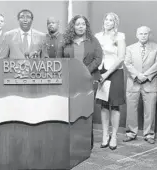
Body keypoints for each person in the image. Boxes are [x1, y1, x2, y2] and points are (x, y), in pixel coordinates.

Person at [60, 15, 103, 149]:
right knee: (71, 110)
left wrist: (84, 70)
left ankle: (86, 142)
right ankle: (71, 141)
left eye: (83, 24)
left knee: (86, 110)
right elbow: (60, 59)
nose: (80, 27)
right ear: (73, 26)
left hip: (88, 79)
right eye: (77, 24)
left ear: (86, 26)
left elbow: (98, 58)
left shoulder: (93, 40)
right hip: (69, 80)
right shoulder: (66, 41)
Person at [123, 26, 157, 144]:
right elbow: (127, 63)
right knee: (131, 109)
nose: (143, 36)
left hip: (150, 83)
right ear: (137, 35)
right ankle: (130, 133)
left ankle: (149, 134)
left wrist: (145, 76)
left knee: (150, 110)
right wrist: (137, 75)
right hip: (133, 83)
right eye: (141, 33)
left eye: (145, 34)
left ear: (149, 35)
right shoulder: (130, 48)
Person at [95, 12, 126, 150]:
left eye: (111, 20)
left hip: (114, 73)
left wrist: (107, 74)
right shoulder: (97, 36)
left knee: (114, 106)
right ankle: (105, 135)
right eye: (106, 19)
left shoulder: (120, 36)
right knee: (103, 105)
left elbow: (120, 58)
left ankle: (114, 136)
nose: (108, 22)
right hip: (101, 72)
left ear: (115, 23)